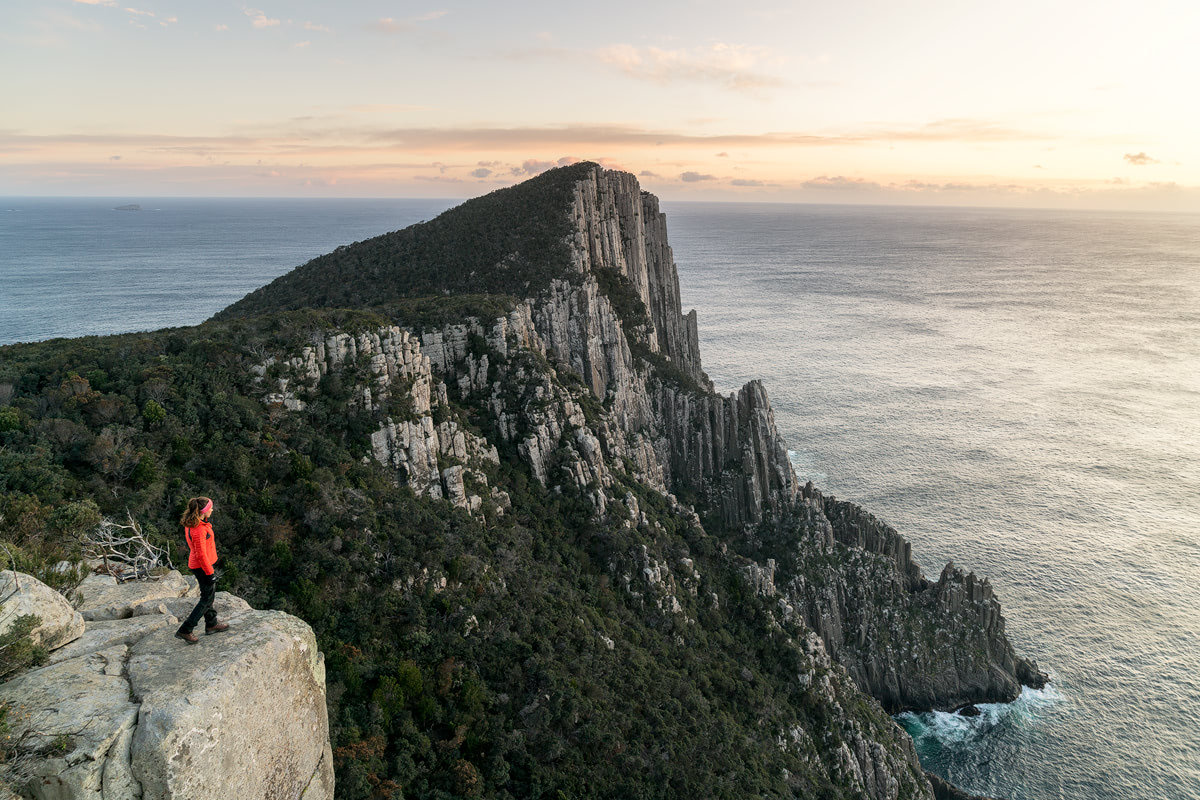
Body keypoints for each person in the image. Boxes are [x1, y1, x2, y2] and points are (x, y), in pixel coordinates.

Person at [175, 497, 230, 644]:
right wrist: (209, 572)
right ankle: (186, 629)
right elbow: (201, 554)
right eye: (210, 508)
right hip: (202, 566)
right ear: (203, 512)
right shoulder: (199, 529)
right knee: (206, 599)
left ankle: (211, 624)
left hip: (199, 565)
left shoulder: (193, 523)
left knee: (209, 596)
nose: (212, 510)